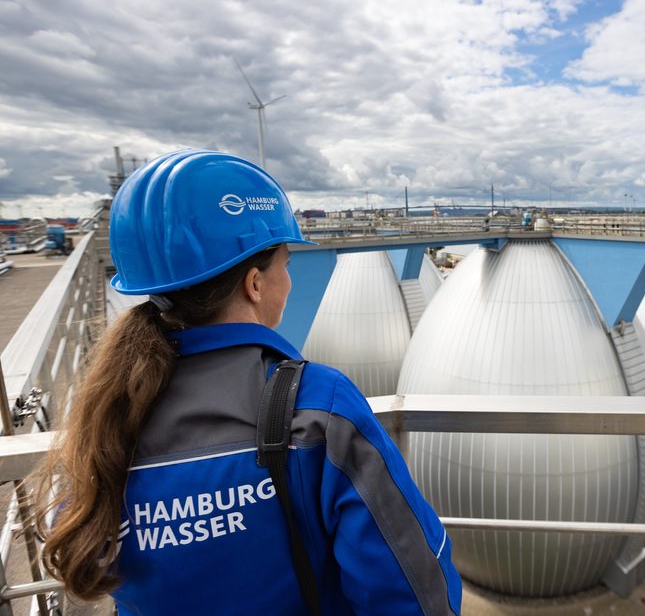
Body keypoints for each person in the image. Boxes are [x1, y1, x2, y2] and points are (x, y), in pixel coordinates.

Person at [33, 149, 461, 615]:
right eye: (285, 265)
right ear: (255, 284)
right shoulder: (318, 406)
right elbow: (413, 590)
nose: (289, 281)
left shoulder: (109, 415)